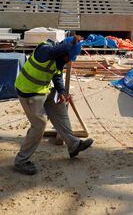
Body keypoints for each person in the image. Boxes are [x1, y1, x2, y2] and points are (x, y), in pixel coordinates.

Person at [13, 35, 93, 175]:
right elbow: (53, 52)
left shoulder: (59, 59)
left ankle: (73, 145)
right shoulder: (44, 50)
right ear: (64, 51)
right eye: (69, 57)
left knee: (59, 107)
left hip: (41, 89)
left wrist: (61, 91)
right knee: (39, 125)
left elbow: (56, 75)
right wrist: (73, 42)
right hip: (28, 92)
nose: (68, 61)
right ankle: (21, 161)